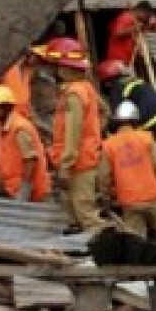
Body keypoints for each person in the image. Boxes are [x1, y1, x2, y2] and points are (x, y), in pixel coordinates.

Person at [40, 38, 104, 230]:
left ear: (64, 67)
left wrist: (66, 166)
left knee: (85, 214)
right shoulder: (86, 88)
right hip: (85, 158)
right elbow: (104, 112)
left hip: (78, 164)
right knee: (74, 214)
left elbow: (73, 133)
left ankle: (111, 252)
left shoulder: (74, 94)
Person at [98, 101, 156, 244]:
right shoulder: (146, 138)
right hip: (154, 197)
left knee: (136, 240)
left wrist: (106, 199)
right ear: (135, 120)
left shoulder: (109, 144)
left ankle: (141, 260)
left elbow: (104, 177)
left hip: (129, 201)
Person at [0, 84, 51, 201]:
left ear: (5, 107)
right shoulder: (1, 126)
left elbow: (30, 160)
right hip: (13, 188)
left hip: (33, 192)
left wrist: (25, 188)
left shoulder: (20, 128)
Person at [96, 60, 156, 137]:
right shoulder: (136, 80)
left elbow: (119, 117)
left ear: (107, 83)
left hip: (150, 120)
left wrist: (107, 128)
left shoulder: (117, 88)